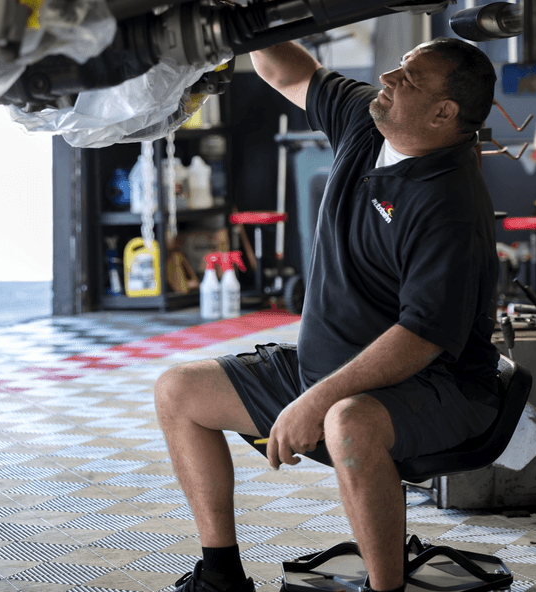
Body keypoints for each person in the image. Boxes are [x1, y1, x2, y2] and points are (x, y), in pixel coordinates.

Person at [155, 36, 500, 592]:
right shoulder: (370, 125)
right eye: (399, 67)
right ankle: (220, 576)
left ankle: (385, 591)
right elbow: (288, 72)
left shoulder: (450, 202)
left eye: (409, 79)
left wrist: (316, 400)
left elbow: (419, 338)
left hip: (442, 387)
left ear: (444, 113)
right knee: (179, 391)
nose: (389, 78)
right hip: (326, 369)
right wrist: (244, 18)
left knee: (348, 421)